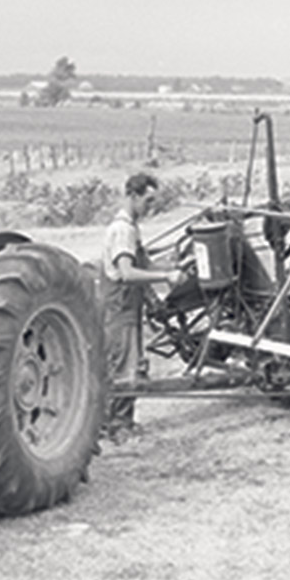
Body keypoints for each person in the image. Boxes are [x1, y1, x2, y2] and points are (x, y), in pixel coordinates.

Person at [100, 173, 185, 441]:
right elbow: (126, 272)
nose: (151, 207)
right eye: (147, 201)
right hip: (120, 307)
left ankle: (120, 421)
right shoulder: (123, 230)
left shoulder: (131, 228)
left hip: (128, 306)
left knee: (129, 364)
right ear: (133, 196)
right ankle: (117, 427)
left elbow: (144, 266)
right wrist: (166, 277)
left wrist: (174, 267)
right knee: (124, 367)